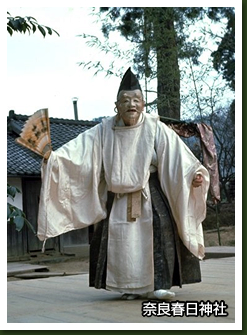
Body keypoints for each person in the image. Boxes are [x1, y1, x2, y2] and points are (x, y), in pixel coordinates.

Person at [37, 67, 210, 301]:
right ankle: (129, 287)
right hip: (117, 198)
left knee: (158, 236)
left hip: (149, 193)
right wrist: (54, 159)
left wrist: (194, 173)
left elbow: (177, 156)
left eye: (136, 100)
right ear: (116, 105)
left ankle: (158, 285)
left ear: (144, 104)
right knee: (121, 244)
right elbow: (79, 153)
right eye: (126, 100)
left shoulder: (154, 126)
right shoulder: (103, 130)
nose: (132, 105)